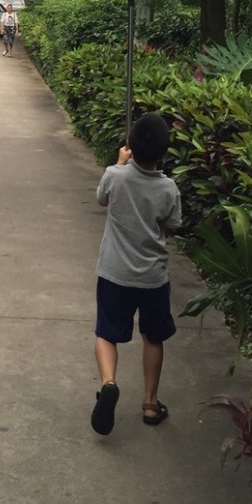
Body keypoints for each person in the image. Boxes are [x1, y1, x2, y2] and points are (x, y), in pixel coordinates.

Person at [90, 112, 181, 437]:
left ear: (129, 145)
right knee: (153, 337)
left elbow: (102, 199)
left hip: (114, 273)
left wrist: (119, 163)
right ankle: (150, 403)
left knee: (106, 333)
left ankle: (109, 384)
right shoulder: (169, 188)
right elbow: (172, 225)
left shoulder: (115, 176)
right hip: (152, 278)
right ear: (163, 153)